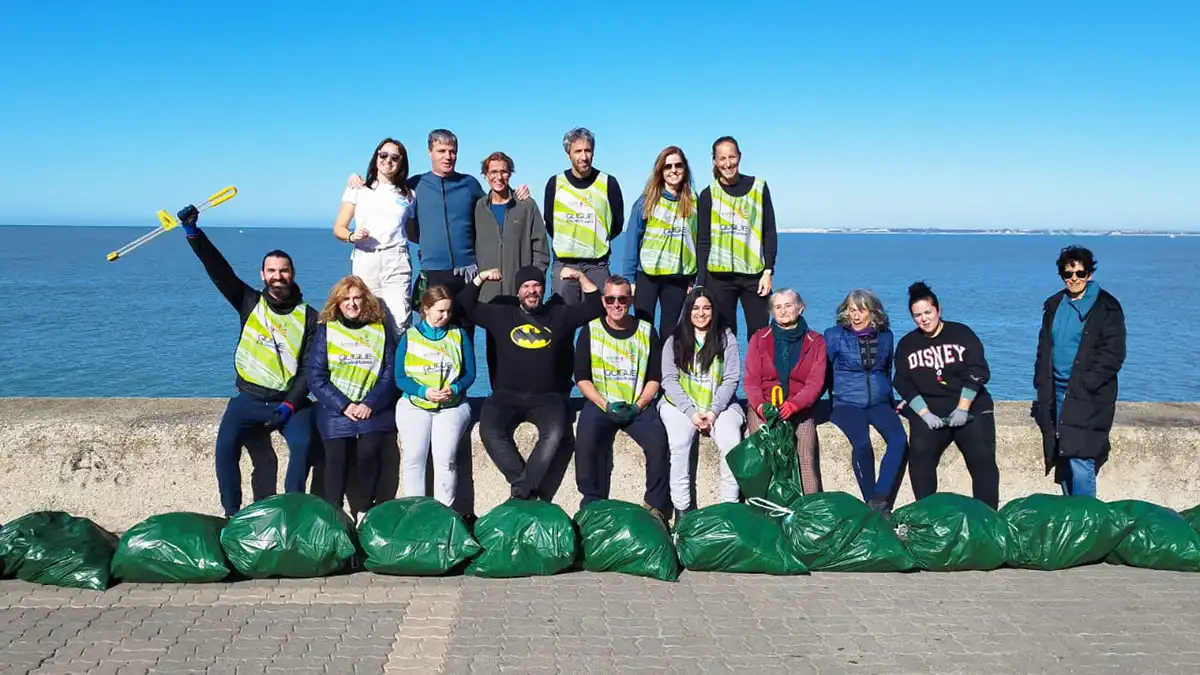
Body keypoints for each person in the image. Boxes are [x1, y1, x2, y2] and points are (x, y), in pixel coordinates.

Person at [177, 205, 319, 518]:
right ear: (263, 275)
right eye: (272, 270)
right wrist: (193, 233)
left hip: (288, 404)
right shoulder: (249, 301)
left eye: (283, 271)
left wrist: (291, 406)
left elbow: (309, 369)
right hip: (248, 400)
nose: (278, 276)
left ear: (292, 274)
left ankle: (292, 511)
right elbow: (219, 271)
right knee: (225, 446)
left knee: (304, 445)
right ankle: (232, 513)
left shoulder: (310, 316)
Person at [346, 130, 530, 329]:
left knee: (464, 330)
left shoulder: (469, 184)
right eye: (441, 150)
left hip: (466, 272)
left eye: (452, 151)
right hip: (433, 271)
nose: (447, 156)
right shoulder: (415, 185)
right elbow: (387, 190)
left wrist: (515, 194)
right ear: (430, 153)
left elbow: (493, 204)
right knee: (433, 332)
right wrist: (359, 180)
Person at [459, 265, 603, 499]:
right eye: (526, 286)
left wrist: (580, 276)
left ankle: (521, 492)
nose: (532, 291)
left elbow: (595, 306)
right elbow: (464, 306)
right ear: (518, 292)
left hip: (548, 398)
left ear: (543, 290)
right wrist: (481, 278)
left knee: (555, 434)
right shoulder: (501, 315)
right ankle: (524, 486)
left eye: (536, 286)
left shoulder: (559, 316)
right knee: (489, 431)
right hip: (506, 396)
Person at [573, 275, 672, 522]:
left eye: (622, 299)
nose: (616, 304)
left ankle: (655, 506)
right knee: (585, 439)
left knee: (658, 442)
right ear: (603, 301)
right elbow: (582, 378)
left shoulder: (647, 331)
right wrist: (605, 404)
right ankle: (591, 501)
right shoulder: (591, 330)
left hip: (637, 405)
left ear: (631, 300)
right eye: (610, 299)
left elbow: (654, 378)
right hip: (602, 403)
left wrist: (638, 406)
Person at [894, 281, 999, 509]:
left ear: (938, 310)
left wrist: (963, 407)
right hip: (930, 410)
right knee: (920, 455)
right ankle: (927, 515)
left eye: (928, 312)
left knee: (982, 457)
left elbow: (978, 370)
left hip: (970, 408)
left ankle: (988, 517)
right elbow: (903, 382)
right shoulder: (907, 345)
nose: (924, 319)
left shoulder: (961, 333)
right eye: (917, 315)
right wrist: (924, 413)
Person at [1034, 246, 1126, 497]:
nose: (1074, 278)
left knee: (1080, 457)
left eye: (1080, 272)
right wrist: (1040, 380)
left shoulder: (1106, 307)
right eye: (1068, 274)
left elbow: (1113, 353)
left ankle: (1086, 520)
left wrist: (1088, 383)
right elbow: (1044, 347)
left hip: (1087, 395)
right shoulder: (1055, 305)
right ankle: (1070, 513)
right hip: (1056, 391)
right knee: (1063, 456)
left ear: (1089, 273)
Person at [307, 276, 397, 523]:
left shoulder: (380, 329)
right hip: (336, 408)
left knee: (369, 451)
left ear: (365, 299)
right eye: (346, 299)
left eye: (357, 298)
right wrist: (344, 405)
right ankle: (334, 511)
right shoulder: (327, 330)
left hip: (371, 408)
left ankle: (364, 510)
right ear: (337, 303)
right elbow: (316, 376)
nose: (352, 303)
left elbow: (389, 373)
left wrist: (370, 403)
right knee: (336, 456)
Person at [658, 288, 744, 516]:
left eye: (706, 308)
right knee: (679, 445)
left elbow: (731, 378)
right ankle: (682, 510)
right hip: (680, 407)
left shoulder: (727, 338)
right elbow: (669, 380)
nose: (701, 313)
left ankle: (730, 508)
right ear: (688, 312)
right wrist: (691, 413)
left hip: (720, 406)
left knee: (731, 443)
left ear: (713, 311)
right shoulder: (674, 340)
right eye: (695, 308)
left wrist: (714, 412)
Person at [824, 289, 908, 515]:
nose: (856, 316)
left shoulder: (886, 336)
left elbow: (887, 370)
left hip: (880, 403)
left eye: (862, 310)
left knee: (899, 440)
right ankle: (872, 502)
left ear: (873, 312)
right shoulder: (834, 336)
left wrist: (893, 401)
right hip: (846, 404)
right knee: (862, 444)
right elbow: (823, 373)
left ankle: (879, 497)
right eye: (852, 310)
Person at [394, 285, 476, 507]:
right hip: (415, 404)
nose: (445, 316)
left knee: (445, 460)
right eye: (440, 311)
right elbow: (400, 377)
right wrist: (424, 392)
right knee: (414, 458)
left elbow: (470, 374)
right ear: (426, 309)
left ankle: (444, 511)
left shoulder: (458, 335)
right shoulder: (410, 336)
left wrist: (455, 389)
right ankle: (415, 509)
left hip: (451, 406)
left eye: (449, 311)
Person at [474, 151, 551, 386]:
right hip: (490, 293)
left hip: (521, 294)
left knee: (527, 343)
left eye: (504, 171)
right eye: (493, 172)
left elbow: (541, 248)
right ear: (486, 175)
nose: (499, 176)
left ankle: (530, 393)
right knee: (494, 345)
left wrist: (532, 282)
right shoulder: (478, 207)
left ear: (510, 173)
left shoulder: (526, 206)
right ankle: (498, 392)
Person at [744, 288, 826, 495]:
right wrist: (761, 406)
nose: (783, 311)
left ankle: (811, 511)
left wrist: (795, 405)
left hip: (799, 407)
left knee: (805, 458)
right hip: (764, 406)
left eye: (788, 305)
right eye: (777, 307)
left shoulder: (816, 341)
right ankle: (764, 508)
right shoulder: (760, 338)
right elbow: (751, 380)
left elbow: (815, 383)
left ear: (800, 308)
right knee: (763, 455)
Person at [695, 136, 778, 337]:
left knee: (760, 335)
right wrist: (701, 283)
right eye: (722, 158)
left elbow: (769, 231)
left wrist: (768, 271)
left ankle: (757, 370)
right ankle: (727, 370)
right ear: (714, 161)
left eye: (732, 157)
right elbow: (703, 240)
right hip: (718, 277)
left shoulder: (759, 187)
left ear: (740, 157)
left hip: (754, 276)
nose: (728, 163)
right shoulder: (708, 194)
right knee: (723, 335)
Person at [333, 138, 415, 336]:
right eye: (383, 155)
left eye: (395, 157)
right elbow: (339, 228)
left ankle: (396, 366)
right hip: (365, 257)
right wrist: (353, 236)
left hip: (397, 258)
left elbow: (413, 231)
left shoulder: (409, 194)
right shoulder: (358, 188)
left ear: (401, 162)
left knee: (400, 318)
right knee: (365, 315)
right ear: (376, 157)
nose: (388, 160)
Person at [543, 127, 625, 305]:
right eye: (578, 151)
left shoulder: (608, 183)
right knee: (563, 322)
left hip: (598, 266)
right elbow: (550, 223)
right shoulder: (555, 183)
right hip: (564, 265)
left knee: (600, 321)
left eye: (587, 150)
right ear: (568, 154)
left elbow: (617, 224)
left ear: (593, 152)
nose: (584, 156)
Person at [623, 145, 698, 338]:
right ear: (660, 171)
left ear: (685, 168)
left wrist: (693, 278)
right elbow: (632, 239)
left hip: (678, 278)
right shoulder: (647, 201)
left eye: (678, 165)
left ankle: (666, 369)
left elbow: (699, 242)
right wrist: (630, 279)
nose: (673, 170)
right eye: (667, 166)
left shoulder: (694, 202)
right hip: (647, 275)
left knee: (670, 333)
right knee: (643, 331)